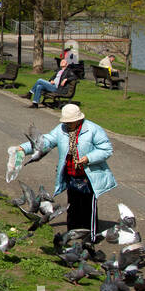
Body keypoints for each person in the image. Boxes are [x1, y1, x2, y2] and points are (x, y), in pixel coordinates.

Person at [19, 103, 116, 240]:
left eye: (70, 122)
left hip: (89, 175)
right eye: (66, 122)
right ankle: (72, 234)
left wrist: (88, 158)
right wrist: (23, 149)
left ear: (78, 119)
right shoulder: (61, 129)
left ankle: (91, 237)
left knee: (88, 207)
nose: (68, 124)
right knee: (72, 206)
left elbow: (106, 149)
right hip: (71, 174)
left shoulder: (93, 129)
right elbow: (45, 142)